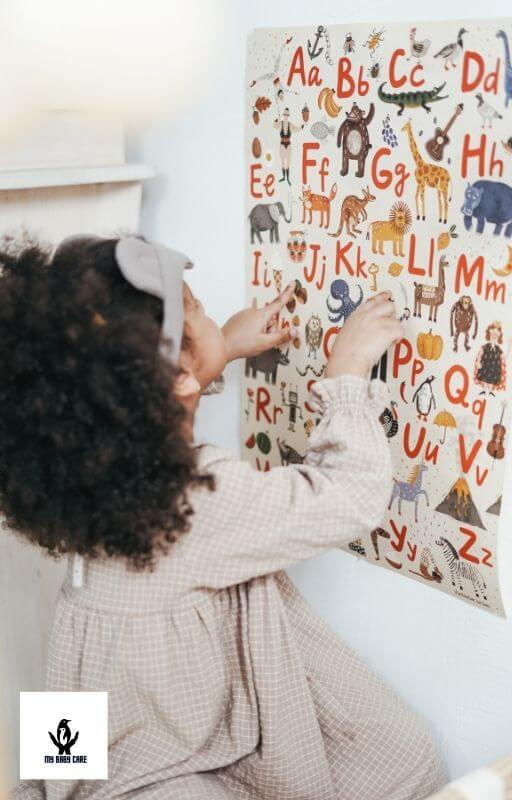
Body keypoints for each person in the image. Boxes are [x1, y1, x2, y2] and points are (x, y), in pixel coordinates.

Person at [4, 235, 445, 800]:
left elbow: (144, 406)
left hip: (95, 702)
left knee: (69, 781)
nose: (209, 312)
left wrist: (222, 347)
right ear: (179, 374)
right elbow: (349, 496)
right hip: (164, 760)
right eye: (198, 309)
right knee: (402, 757)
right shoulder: (195, 500)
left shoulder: (92, 473)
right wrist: (348, 373)